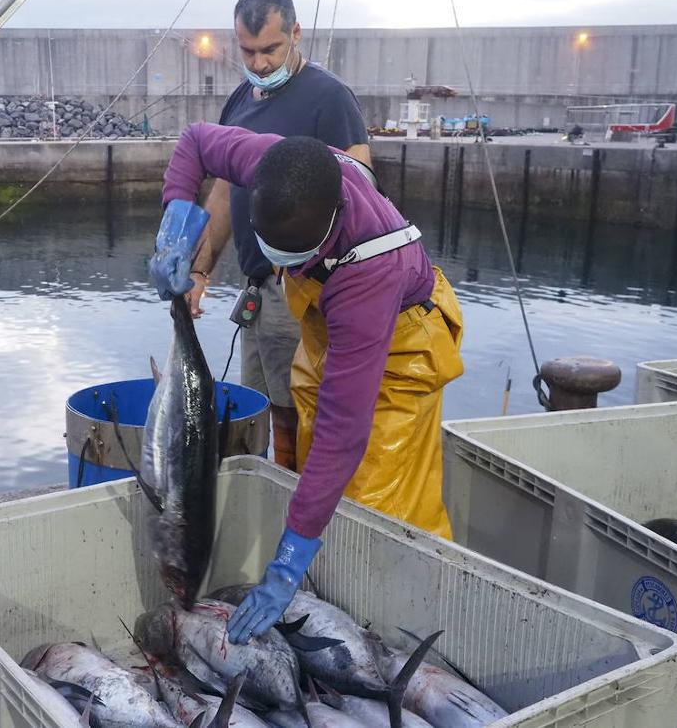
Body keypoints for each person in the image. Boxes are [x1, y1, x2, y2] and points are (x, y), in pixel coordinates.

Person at [151, 123, 464, 644]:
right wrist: (177, 227)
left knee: (377, 504)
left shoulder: (370, 274)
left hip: (401, 346)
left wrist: (287, 564)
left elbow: (347, 431)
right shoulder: (276, 162)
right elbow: (195, 141)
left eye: (290, 253)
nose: (279, 262)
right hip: (324, 330)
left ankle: (415, 628)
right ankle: (330, 591)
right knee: (313, 472)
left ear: (332, 222)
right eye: (269, 246)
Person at [182, 0, 371, 472]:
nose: (260, 62)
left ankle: (299, 508)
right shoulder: (239, 101)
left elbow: (364, 192)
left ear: (295, 34)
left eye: (271, 49)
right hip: (257, 290)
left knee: (297, 412)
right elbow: (223, 192)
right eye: (248, 51)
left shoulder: (329, 98)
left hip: (305, 289)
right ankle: (261, 501)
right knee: (253, 409)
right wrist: (200, 272)